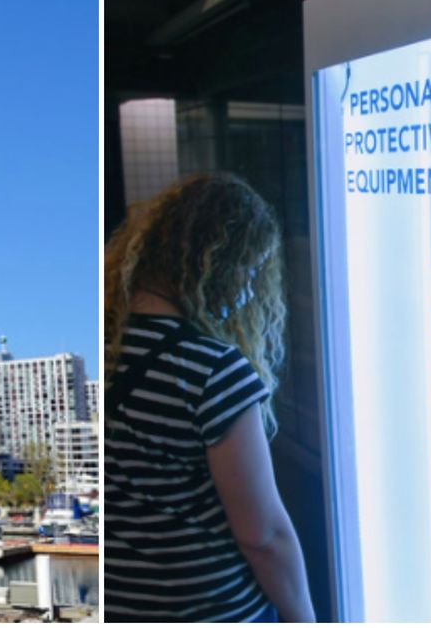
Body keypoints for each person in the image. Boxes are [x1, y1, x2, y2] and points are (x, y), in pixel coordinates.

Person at [104, 173, 316, 623]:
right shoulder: (211, 371)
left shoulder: (107, 346)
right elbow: (263, 535)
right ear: (216, 263)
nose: (249, 291)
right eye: (251, 270)